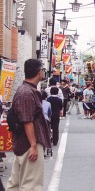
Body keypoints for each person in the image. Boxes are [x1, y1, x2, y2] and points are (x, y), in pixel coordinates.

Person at [7, 59, 51, 191]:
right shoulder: (27, 92)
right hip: (30, 143)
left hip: (23, 142)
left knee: (16, 183)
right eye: (43, 69)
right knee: (31, 185)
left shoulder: (25, 90)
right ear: (39, 73)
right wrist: (33, 145)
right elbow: (27, 121)